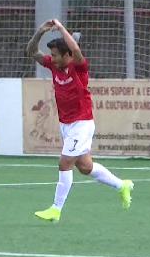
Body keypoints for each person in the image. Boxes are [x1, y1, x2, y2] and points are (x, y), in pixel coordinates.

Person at [25, 19, 134, 223]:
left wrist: (61, 28)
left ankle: (56, 210)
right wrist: (40, 31)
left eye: (56, 55)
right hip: (66, 125)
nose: (53, 58)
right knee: (85, 167)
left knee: (65, 162)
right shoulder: (53, 66)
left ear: (67, 55)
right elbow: (31, 51)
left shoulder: (79, 68)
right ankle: (122, 185)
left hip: (82, 123)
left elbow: (75, 48)